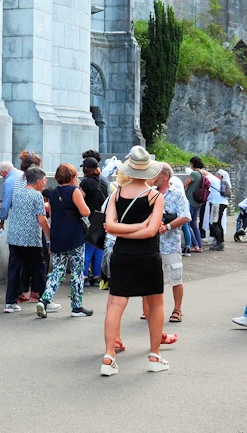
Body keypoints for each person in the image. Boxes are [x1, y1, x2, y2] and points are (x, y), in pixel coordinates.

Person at [101, 146, 167, 376]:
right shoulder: (155, 196)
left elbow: (110, 226)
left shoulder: (117, 194)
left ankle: (109, 356)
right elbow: (150, 232)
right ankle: (154, 354)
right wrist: (141, 226)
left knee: (116, 304)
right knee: (156, 303)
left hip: (122, 254)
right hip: (148, 255)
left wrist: (122, 231)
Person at [36, 163, 93, 318]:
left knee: (57, 271)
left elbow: (52, 216)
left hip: (57, 236)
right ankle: (76, 306)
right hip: (75, 236)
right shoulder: (75, 191)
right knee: (77, 272)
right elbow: (85, 211)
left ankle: (45, 300)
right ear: (72, 177)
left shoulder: (53, 193)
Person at [148, 163, 191, 324]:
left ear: (165, 176)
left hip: (170, 242)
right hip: (151, 243)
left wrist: (168, 226)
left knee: (175, 277)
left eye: (156, 175)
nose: (152, 178)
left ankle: (177, 309)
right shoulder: (151, 194)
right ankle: (150, 309)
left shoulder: (177, 194)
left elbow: (185, 216)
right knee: (151, 277)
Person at [4, 166, 50, 313]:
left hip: (14, 237)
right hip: (30, 238)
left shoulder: (18, 193)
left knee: (14, 269)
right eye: (44, 180)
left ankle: (10, 302)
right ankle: (45, 300)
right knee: (39, 268)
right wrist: (50, 236)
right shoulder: (37, 196)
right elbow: (42, 219)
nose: (45, 182)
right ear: (38, 181)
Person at [79, 157, 109, 287]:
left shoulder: (85, 183)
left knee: (87, 250)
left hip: (89, 220)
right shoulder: (104, 181)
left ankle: (84, 277)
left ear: (86, 169)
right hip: (102, 218)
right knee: (99, 250)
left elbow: (79, 200)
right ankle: (97, 277)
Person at [203, 168, 230, 251]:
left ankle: (219, 243)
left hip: (216, 204)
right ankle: (220, 241)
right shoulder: (220, 182)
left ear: (220, 176)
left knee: (214, 223)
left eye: (217, 173)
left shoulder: (214, 180)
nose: (215, 174)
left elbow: (204, 173)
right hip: (221, 203)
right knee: (217, 223)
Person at [183, 156, 205, 252]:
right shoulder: (202, 173)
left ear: (193, 164)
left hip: (191, 201)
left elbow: (184, 185)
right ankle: (199, 245)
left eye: (191, 163)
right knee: (194, 224)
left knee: (187, 224)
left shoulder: (194, 174)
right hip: (198, 202)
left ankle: (195, 245)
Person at [0, 161, 23, 234]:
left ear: (3, 172)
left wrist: (2, 222)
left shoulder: (9, 181)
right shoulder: (22, 174)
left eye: (2, 175)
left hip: (18, 216)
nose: (3, 178)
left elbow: (6, 203)